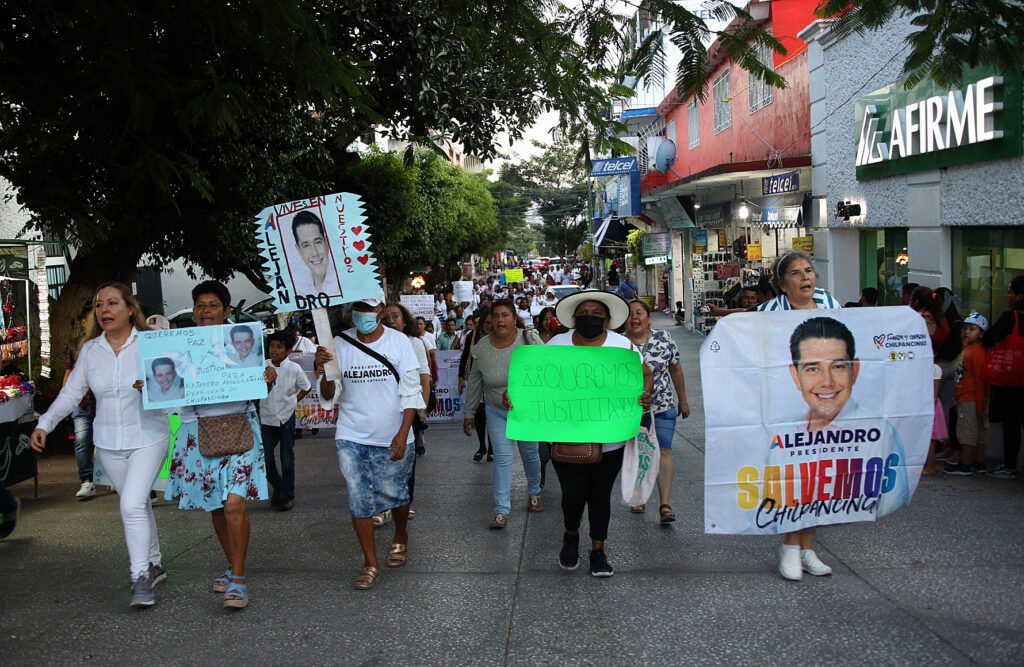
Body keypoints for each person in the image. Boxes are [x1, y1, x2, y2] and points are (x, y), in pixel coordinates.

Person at [32, 282, 170, 607]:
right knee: (137, 504)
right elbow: (70, 394)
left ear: (130, 309)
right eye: (99, 305)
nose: (104, 310)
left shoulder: (151, 343)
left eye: (112, 303)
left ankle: (140, 579)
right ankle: (154, 562)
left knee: (132, 505)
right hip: (107, 442)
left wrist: (150, 387)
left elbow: (178, 381)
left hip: (148, 436)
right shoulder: (91, 350)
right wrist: (45, 423)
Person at [164, 281, 275, 610]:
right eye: (200, 305)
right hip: (194, 431)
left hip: (240, 428)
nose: (205, 310)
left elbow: (263, 377)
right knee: (214, 506)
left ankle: (238, 579)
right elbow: (167, 386)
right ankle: (232, 565)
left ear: (227, 312)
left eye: (213, 305)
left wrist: (269, 375)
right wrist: (149, 385)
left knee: (234, 506)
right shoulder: (179, 346)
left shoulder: (244, 341)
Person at [314, 297, 425, 590]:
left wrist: (403, 433)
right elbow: (330, 394)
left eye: (369, 310)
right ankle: (370, 562)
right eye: (358, 310)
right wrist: (323, 368)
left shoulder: (400, 343)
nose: (363, 316)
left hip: (393, 433)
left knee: (397, 494)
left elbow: (411, 390)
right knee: (358, 497)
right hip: (352, 435)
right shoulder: (338, 344)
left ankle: (400, 535)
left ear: (380, 312)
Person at [541, 290, 653, 577]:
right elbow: (536, 383)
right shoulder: (557, 344)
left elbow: (646, 375)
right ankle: (571, 534)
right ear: (574, 318)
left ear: (607, 320)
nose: (589, 317)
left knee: (601, 495)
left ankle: (598, 551)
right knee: (573, 493)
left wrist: (644, 393)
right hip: (565, 437)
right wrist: (516, 398)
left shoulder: (623, 347)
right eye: (584, 313)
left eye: (596, 313)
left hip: (611, 440)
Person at [754, 252, 843, 580]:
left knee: (819, 479)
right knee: (793, 476)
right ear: (781, 283)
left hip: (823, 404)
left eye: (809, 271)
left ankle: (806, 549)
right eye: (796, 273)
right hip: (783, 407)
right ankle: (791, 546)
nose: (806, 278)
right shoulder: (767, 313)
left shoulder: (828, 303)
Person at [464, 299, 544, 529]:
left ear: (514, 318)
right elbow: (475, 383)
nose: (500, 320)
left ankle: (534, 491)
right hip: (496, 411)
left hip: (526, 412)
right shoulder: (481, 348)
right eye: (496, 316)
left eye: (505, 315)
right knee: (502, 458)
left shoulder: (529, 339)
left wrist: (520, 392)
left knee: (530, 453)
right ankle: (501, 510)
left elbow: (545, 373)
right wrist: (469, 412)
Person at [624, 300, 691, 523]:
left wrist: (683, 400)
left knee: (664, 450)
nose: (634, 318)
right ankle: (639, 496)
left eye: (639, 313)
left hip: (663, 407)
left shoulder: (664, 339)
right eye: (630, 314)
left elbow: (676, 369)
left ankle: (665, 505)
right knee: (638, 453)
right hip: (630, 411)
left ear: (648, 318)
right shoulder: (619, 344)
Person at [376, 302, 432, 527]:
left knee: (406, 460)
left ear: (404, 319)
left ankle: (403, 502)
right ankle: (384, 505)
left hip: (409, 408)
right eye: (386, 317)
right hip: (384, 410)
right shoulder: (376, 344)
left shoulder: (415, 343)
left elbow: (424, 377)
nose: (391, 321)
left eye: (395, 316)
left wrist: (422, 406)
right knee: (383, 457)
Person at [260, 329, 311, 510]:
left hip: (286, 417)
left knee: (287, 457)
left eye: (279, 347)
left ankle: (288, 494)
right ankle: (278, 484)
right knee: (265, 457)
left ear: (288, 351)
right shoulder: (262, 365)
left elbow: (306, 387)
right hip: (266, 417)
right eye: (272, 345)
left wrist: (293, 401)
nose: (274, 350)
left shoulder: (294, 368)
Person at [982, 275, 1024, 479]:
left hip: (1014, 378)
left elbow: (989, 338)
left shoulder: (1011, 318)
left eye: (1010, 292)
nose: (1008, 296)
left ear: (1020, 295)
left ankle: (1010, 465)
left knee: (1012, 422)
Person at [946, 313, 989, 475]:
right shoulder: (968, 349)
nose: (966, 332)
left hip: (971, 397)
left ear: (981, 333)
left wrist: (979, 403)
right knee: (974, 430)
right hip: (966, 396)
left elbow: (979, 379)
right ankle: (977, 462)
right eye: (965, 328)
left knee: (967, 431)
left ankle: (965, 464)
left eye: (972, 329)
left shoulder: (976, 352)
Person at [64, 305, 97, 499]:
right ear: (84, 323)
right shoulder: (75, 345)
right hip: (82, 402)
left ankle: (109, 478)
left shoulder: (107, 342)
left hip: (105, 401)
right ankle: (87, 480)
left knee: (109, 442)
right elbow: (68, 373)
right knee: (82, 441)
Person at [459, 308, 494, 462]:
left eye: (485, 322)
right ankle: (482, 446)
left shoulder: (497, 337)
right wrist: (461, 376)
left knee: (493, 416)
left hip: (494, 381)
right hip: (478, 379)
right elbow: (466, 355)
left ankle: (492, 448)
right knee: (479, 415)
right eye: (477, 323)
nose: (482, 326)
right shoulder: (471, 337)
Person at [290, 210, 342, 297]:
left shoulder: (346, 279)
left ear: (327, 243)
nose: (315, 253)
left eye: (318, 242)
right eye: (306, 245)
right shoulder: (301, 291)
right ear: (299, 251)